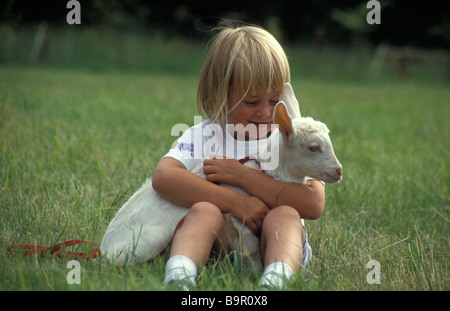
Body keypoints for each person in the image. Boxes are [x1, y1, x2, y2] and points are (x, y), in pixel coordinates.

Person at [152, 23, 325, 289]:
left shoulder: (291, 136)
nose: (266, 112)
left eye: (274, 100)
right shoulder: (206, 134)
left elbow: (313, 204)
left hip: (273, 245)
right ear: (219, 92)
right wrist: (234, 201)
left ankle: (276, 279)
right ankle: (180, 275)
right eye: (252, 102)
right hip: (220, 250)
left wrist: (244, 177)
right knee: (204, 211)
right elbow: (165, 177)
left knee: (286, 215)